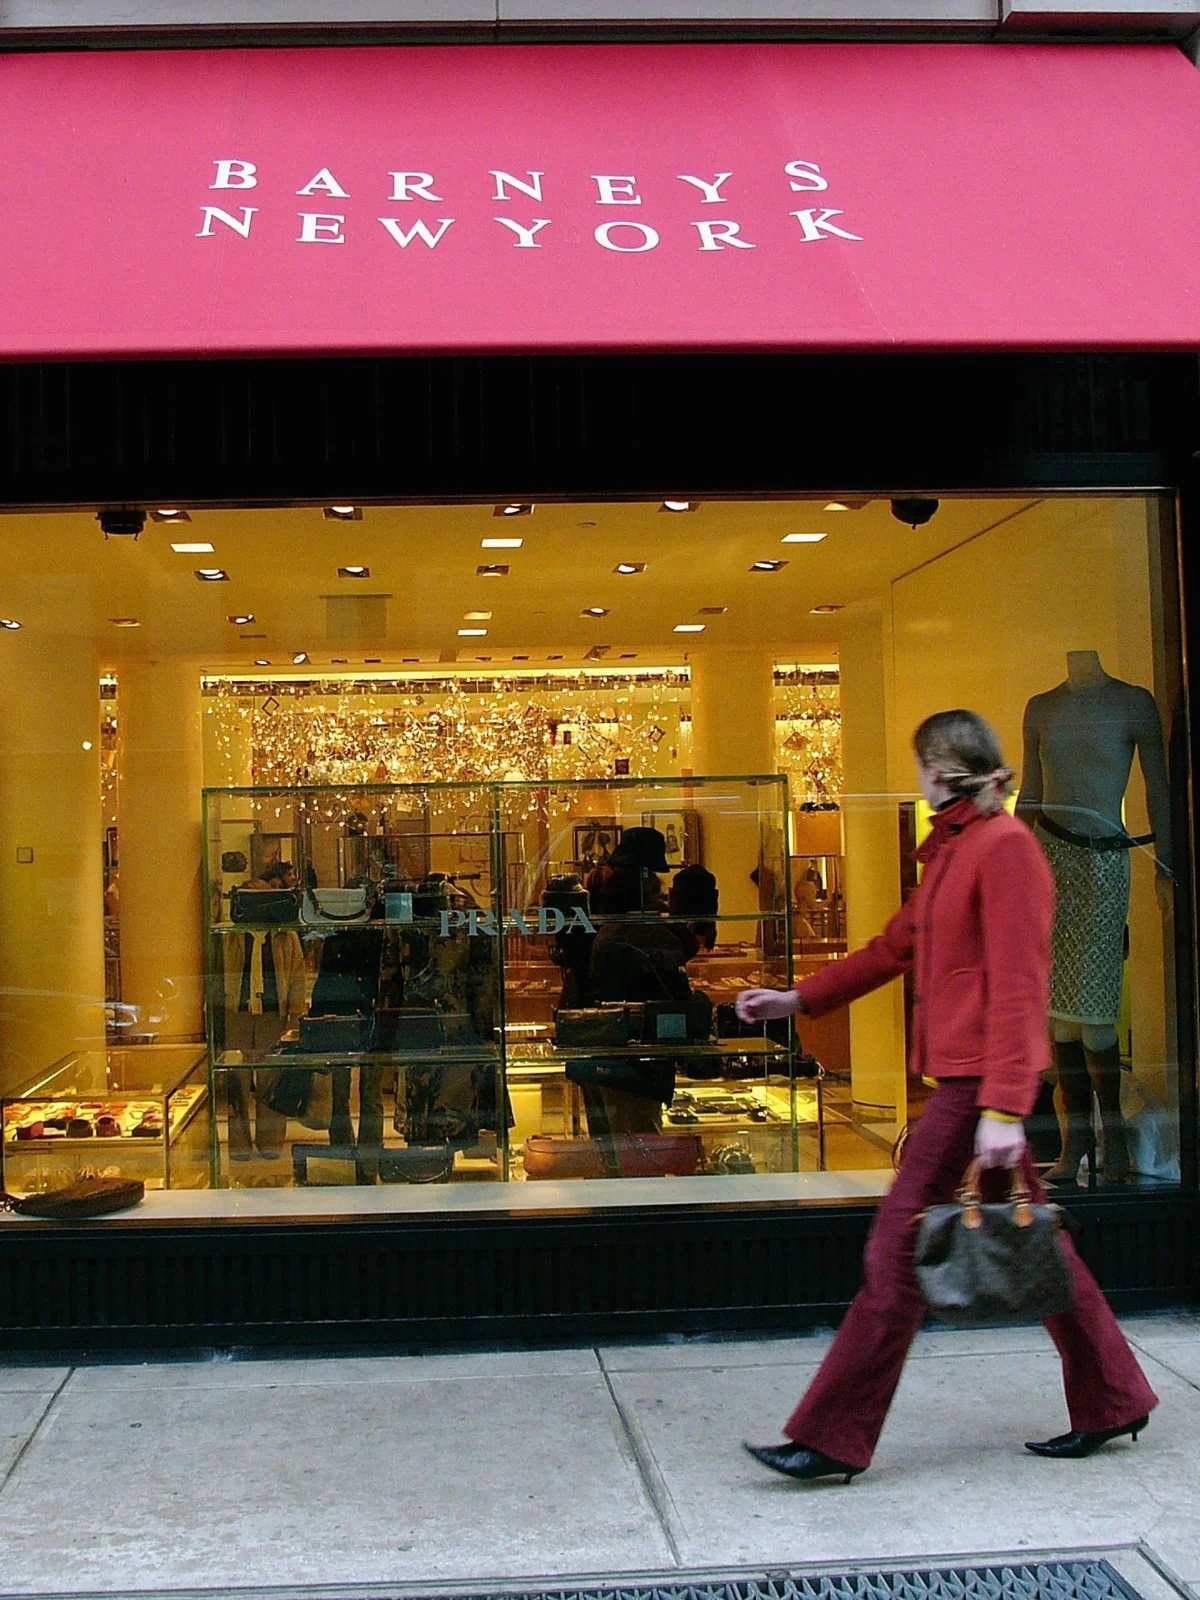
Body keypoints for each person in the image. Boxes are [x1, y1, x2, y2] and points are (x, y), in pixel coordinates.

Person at [738, 710, 1158, 1483]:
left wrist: (1003, 1109)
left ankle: (833, 1437)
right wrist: (798, 999)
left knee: (897, 1248)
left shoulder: (1005, 849)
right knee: (1039, 1244)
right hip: (971, 1086)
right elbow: (890, 948)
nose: (918, 779)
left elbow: (1022, 984)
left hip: (977, 1092)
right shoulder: (956, 851)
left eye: (920, 767)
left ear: (939, 769)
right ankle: (1114, 1397)